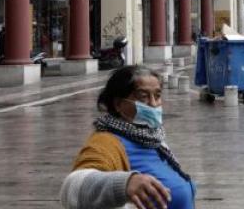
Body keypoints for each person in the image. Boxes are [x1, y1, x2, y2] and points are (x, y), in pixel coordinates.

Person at [60, 66, 195, 209]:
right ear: (118, 104)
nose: (153, 104)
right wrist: (125, 183)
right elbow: (73, 188)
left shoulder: (152, 139)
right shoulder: (107, 141)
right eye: (143, 97)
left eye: (157, 96)